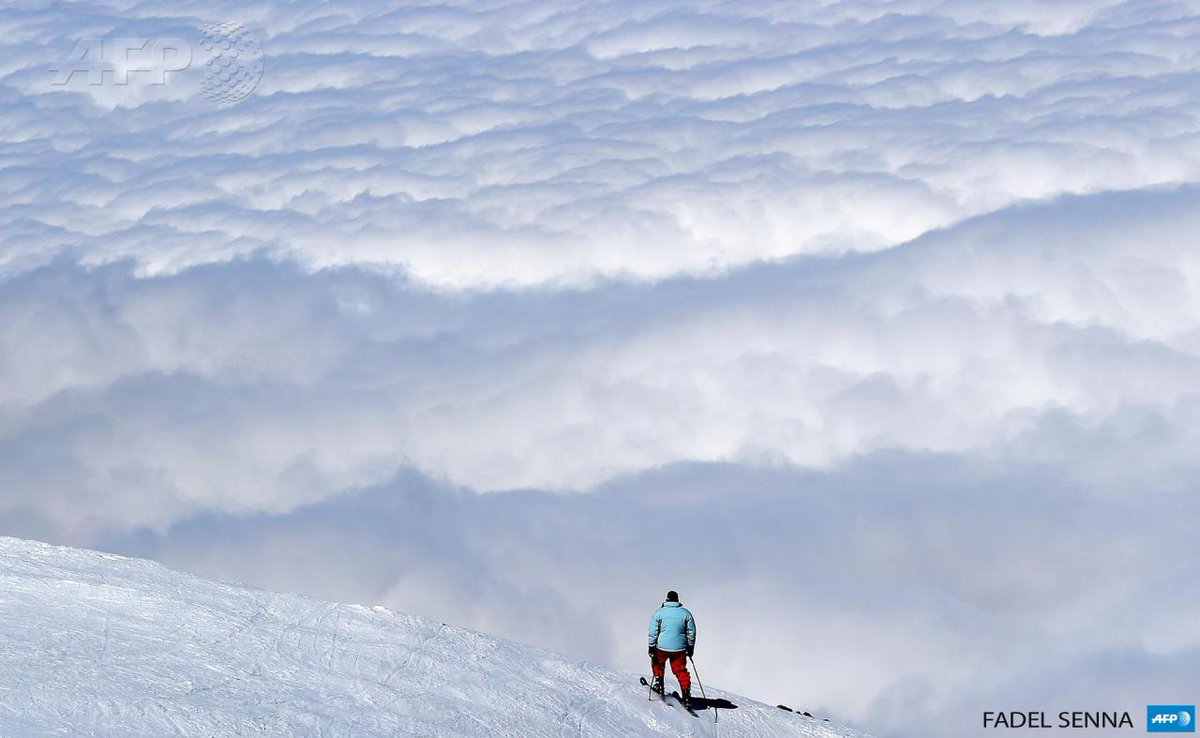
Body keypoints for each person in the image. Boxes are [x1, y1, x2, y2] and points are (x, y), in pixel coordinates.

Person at [647, 590, 696, 706]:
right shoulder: (686, 613)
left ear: (667, 599)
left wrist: (651, 646)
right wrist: (690, 647)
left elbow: (653, 631)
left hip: (662, 647)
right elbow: (691, 632)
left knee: (657, 664)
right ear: (677, 600)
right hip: (679, 649)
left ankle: (659, 686)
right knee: (680, 670)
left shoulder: (659, 613)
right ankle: (686, 696)